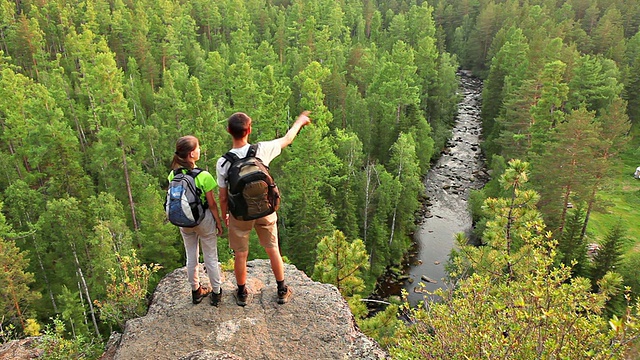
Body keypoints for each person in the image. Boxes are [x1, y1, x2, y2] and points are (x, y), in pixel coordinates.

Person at [216, 111, 311, 306]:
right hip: (266, 209)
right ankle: (281, 289)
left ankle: (242, 293)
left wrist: (225, 214)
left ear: (228, 131)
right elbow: (288, 139)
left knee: (241, 253)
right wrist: (299, 121)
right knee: (272, 248)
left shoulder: (223, 162)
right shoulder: (262, 150)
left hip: (241, 214)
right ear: (249, 130)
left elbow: (223, 196)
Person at [169, 135, 224, 306]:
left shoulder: (173, 174)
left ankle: (196, 291)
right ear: (192, 154)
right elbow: (212, 204)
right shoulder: (204, 176)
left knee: (191, 256)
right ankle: (216, 293)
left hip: (185, 221)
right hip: (204, 220)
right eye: (198, 148)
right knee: (210, 257)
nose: (200, 149)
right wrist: (219, 223)